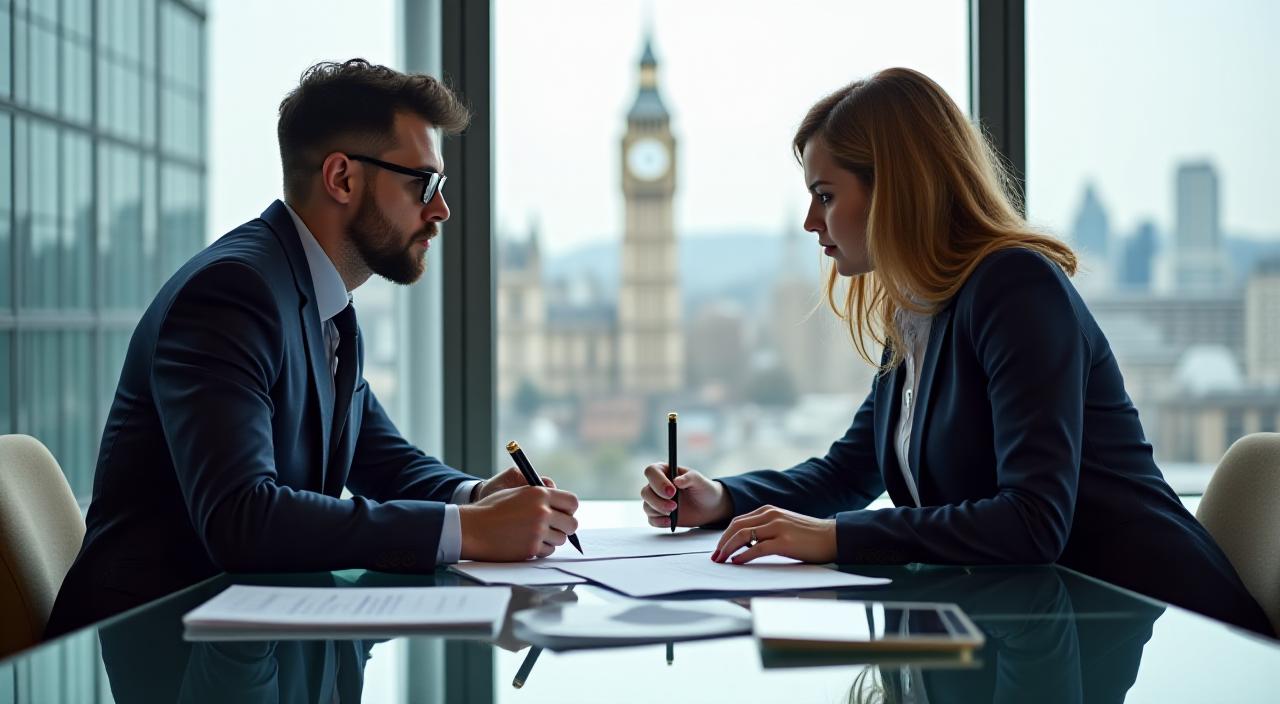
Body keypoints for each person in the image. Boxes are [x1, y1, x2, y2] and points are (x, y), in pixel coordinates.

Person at [639, 67, 1272, 637]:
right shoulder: (918, 310)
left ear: (895, 190)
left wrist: (833, 539)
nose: (811, 221)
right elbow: (849, 470)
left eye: (826, 195)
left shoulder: (1015, 288)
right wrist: (721, 498)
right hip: (1034, 626)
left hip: (1164, 625)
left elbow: (1031, 521)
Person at [46, 59, 579, 638]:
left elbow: (381, 460)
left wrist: (477, 495)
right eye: (425, 184)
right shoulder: (232, 295)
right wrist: (469, 531)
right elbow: (242, 517)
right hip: (147, 652)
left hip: (251, 643)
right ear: (343, 178)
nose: (441, 210)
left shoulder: (324, 302)